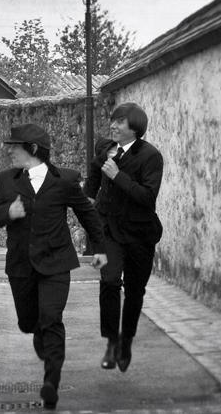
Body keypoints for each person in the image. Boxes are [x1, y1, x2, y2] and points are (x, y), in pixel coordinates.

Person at [0, 123, 106, 409]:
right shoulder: (7, 180)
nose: (10, 151)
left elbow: (87, 213)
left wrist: (101, 248)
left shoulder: (64, 180)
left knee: (52, 318)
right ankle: (37, 331)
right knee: (29, 322)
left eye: (15, 146)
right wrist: (8, 212)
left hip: (56, 262)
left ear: (33, 149)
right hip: (20, 265)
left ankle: (51, 382)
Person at [83, 102, 163, 373]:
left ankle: (126, 340)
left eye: (119, 122)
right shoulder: (107, 152)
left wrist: (118, 176)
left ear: (135, 127)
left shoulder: (151, 156)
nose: (113, 126)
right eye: (113, 121)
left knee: (135, 291)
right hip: (110, 232)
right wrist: (87, 195)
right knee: (109, 282)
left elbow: (147, 197)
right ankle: (111, 341)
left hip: (140, 234)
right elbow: (93, 183)